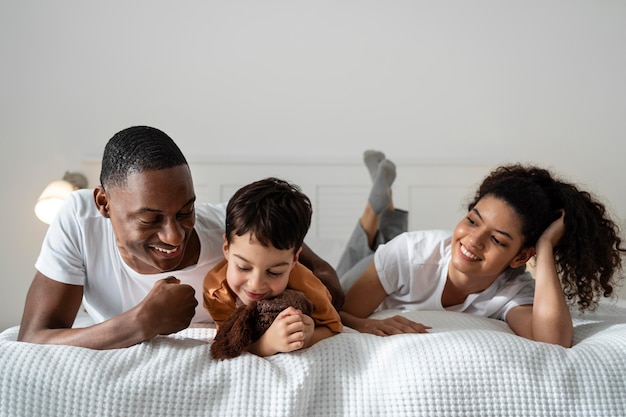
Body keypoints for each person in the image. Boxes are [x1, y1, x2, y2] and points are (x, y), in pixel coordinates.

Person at [17, 126, 343, 349]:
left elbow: (331, 287)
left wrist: (317, 314)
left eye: (186, 212)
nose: (174, 236)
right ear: (104, 203)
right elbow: (34, 337)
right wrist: (142, 322)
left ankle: (376, 226)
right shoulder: (79, 218)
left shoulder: (234, 235)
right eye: (151, 219)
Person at [338, 150, 625, 348]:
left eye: (498, 240)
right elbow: (338, 315)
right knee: (336, 276)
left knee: (392, 244)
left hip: (403, 266)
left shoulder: (512, 289)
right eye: (472, 221)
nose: (473, 240)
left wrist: (546, 248)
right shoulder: (407, 254)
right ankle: (375, 210)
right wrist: (365, 326)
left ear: (522, 256)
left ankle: (383, 207)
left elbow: (553, 341)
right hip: (387, 263)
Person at [203, 177, 343, 357]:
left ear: (294, 260)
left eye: (274, 272)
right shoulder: (216, 290)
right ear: (226, 248)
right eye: (243, 267)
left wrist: (309, 336)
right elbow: (229, 341)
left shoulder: (306, 283)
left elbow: (334, 327)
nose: (256, 284)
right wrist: (266, 345)